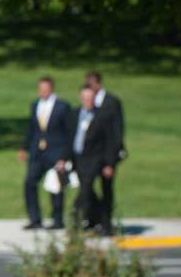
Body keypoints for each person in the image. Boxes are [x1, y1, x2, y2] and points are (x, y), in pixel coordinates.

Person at [18, 76, 73, 229]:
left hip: (56, 152)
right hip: (37, 152)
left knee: (55, 186)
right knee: (29, 182)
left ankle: (57, 219)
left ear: (51, 88)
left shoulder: (62, 106)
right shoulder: (35, 105)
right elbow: (32, 128)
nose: (43, 91)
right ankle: (35, 218)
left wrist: (64, 156)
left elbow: (69, 133)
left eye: (46, 88)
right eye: (40, 88)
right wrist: (25, 147)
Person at [71, 84, 117, 232]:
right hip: (78, 159)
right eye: (84, 98)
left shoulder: (103, 115)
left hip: (95, 159)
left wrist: (109, 163)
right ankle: (100, 221)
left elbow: (110, 141)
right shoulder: (75, 113)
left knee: (85, 190)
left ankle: (75, 218)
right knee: (89, 192)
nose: (87, 101)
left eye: (90, 98)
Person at [84, 71, 124, 235]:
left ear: (98, 84)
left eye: (91, 85)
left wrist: (111, 160)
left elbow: (116, 133)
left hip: (107, 155)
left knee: (107, 189)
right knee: (86, 188)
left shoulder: (111, 102)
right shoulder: (87, 103)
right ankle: (94, 219)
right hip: (90, 156)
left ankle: (106, 224)